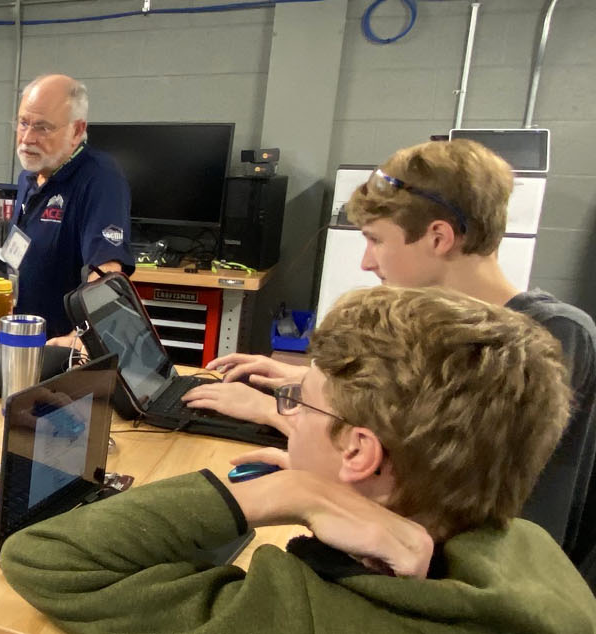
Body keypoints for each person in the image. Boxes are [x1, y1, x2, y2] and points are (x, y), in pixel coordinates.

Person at [1, 285, 596, 632]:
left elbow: (45, 557)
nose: (285, 414)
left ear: (359, 451)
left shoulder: (304, 615)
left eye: (296, 403)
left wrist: (291, 494)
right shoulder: (534, 554)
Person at [182, 139, 596, 583]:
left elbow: (451, 481)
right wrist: (319, 385)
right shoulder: (446, 335)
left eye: (376, 240)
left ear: (438, 238)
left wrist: (278, 410)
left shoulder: (547, 340)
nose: (365, 262)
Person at [9, 74, 132, 338]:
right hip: (21, 337)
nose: (27, 138)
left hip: (63, 351)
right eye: (23, 123)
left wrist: (84, 338)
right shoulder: (29, 176)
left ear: (77, 130)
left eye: (42, 127)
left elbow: (106, 272)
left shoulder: (101, 177)